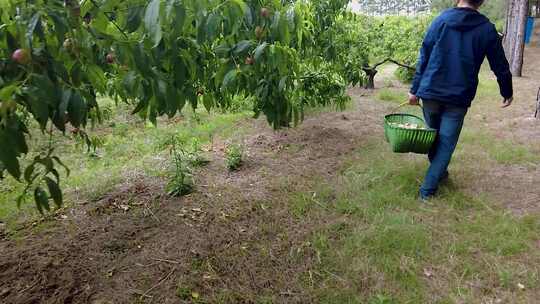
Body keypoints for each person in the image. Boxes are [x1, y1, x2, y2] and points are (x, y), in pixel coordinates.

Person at [408, 0, 514, 201]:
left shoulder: (441, 20)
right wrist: (507, 91)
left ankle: (428, 187)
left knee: (433, 139)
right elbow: (499, 64)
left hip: (431, 91)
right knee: (444, 143)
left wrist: (414, 89)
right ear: (481, 2)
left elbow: (425, 55)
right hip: (458, 96)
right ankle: (434, 180)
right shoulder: (487, 29)